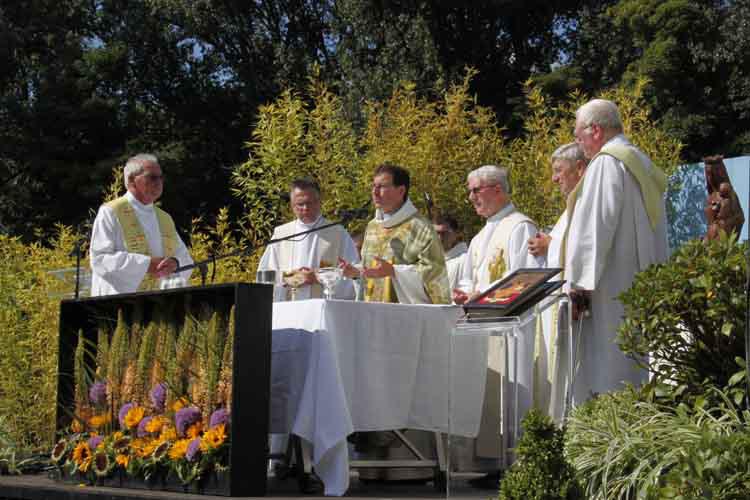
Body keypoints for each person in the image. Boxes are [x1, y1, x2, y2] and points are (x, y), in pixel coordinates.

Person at [340, 163, 450, 482]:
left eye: (383, 186)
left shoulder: (419, 227)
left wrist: (396, 273)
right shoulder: (373, 228)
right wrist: (356, 273)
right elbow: (371, 274)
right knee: (372, 386)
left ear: (401, 191)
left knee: (403, 386)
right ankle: (373, 466)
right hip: (374, 324)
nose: (375, 192)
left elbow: (435, 277)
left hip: (405, 327)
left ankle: (408, 469)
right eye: (374, 185)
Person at [566, 98, 668, 404]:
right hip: (641, 276)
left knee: (609, 360)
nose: (577, 141)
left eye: (578, 134)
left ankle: (610, 428)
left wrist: (578, 284)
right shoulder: (640, 161)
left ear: (595, 130)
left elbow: (595, 228)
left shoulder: (606, 163)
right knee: (635, 357)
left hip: (609, 282)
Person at [452, 164, 543, 489]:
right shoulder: (479, 236)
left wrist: (485, 294)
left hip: (512, 328)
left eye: (476, 189)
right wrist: (464, 292)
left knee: (512, 396)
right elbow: (469, 277)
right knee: (489, 398)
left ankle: (518, 466)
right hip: (484, 326)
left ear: (498, 189)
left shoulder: (520, 227)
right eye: (470, 190)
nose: (471, 196)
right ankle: (493, 463)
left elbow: (528, 278)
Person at [527, 143, 587, 422]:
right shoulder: (574, 203)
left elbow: (583, 246)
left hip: (579, 308)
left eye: (558, 171)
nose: (554, 178)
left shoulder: (586, 200)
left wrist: (550, 243)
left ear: (580, 169)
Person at [90, 154, 193, 296]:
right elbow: (100, 259)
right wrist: (145, 265)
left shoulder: (164, 218)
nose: (159, 182)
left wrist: (175, 263)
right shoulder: (111, 212)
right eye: (152, 177)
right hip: (121, 300)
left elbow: (185, 258)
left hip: (159, 302)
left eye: (160, 177)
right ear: (132, 180)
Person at [257, 178, 359, 300]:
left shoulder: (337, 233)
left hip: (323, 310)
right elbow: (263, 276)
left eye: (310, 203)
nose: (305, 208)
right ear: (292, 205)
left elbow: (354, 274)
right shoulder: (281, 234)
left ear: (319, 202)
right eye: (300, 204)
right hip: (289, 310)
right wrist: (288, 277)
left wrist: (318, 277)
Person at [434, 214, 468, 290]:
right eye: (436, 233)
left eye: (444, 233)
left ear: (456, 233)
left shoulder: (465, 260)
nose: (439, 238)